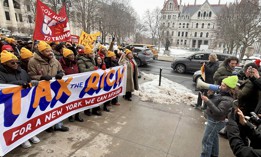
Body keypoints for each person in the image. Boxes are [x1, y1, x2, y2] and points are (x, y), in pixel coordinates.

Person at [0, 50, 40, 148]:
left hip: (25, 99)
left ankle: (30, 133)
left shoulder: (22, 71)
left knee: (26, 117)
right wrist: (16, 84)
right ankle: (21, 138)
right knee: (16, 120)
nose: (15, 64)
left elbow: (28, 81)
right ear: (4, 63)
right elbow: (2, 87)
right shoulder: (1, 74)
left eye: (17, 62)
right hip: (11, 103)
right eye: (12, 62)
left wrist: (33, 82)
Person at [28, 41, 69, 132]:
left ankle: (59, 124)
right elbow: (31, 76)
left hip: (55, 87)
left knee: (57, 106)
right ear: (41, 52)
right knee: (45, 108)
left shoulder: (55, 60)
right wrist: (41, 77)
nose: (50, 53)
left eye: (50, 51)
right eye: (47, 51)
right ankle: (48, 126)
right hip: (42, 89)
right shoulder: (33, 61)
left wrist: (60, 74)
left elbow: (61, 70)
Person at [200, 75, 238, 157]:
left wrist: (207, 101)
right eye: (221, 84)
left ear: (229, 88)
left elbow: (219, 112)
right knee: (213, 138)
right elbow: (215, 101)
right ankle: (214, 154)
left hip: (215, 121)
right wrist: (210, 95)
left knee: (206, 141)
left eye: (223, 86)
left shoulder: (228, 99)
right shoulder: (222, 93)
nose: (220, 86)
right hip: (214, 120)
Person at [59, 48, 84, 122]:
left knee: (78, 100)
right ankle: (70, 116)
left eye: (73, 54)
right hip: (67, 86)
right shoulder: (61, 64)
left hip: (77, 85)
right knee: (69, 101)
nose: (73, 56)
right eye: (70, 55)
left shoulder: (75, 62)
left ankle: (77, 115)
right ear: (66, 56)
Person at [77, 45, 99, 115]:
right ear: (86, 54)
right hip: (87, 81)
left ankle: (95, 110)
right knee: (88, 96)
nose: (92, 54)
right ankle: (87, 111)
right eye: (90, 53)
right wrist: (93, 69)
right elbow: (83, 70)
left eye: (92, 53)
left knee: (95, 95)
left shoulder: (92, 59)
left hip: (94, 80)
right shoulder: (81, 60)